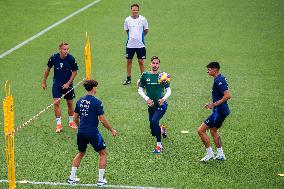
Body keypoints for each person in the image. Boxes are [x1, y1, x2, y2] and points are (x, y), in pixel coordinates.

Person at [67, 80, 117, 186]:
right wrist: (112, 129)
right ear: (93, 88)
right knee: (103, 154)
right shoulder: (97, 102)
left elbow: (75, 118)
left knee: (81, 153)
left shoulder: (80, 101)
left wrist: (80, 126)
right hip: (92, 132)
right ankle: (100, 180)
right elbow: (102, 120)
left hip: (81, 132)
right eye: (96, 87)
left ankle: (71, 178)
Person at [198, 62, 231, 162]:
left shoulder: (219, 80)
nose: (207, 71)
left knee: (200, 130)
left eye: (209, 69)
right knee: (213, 131)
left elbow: (227, 95)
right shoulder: (219, 78)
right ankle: (221, 154)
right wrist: (212, 104)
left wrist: (214, 104)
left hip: (219, 112)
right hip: (221, 110)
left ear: (215, 70)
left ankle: (210, 154)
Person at [41, 42, 78, 133]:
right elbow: (47, 70)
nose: (66, 51)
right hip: (57, 84)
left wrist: (68, 83)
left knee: (69, 103)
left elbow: (75, 72)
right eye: (64, 49)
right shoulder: (54, 58)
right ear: (60, 49)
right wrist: (44, 81)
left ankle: (71, 122)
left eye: (67, 49)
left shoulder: (71, 59)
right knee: (56, 103)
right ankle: (59, 124)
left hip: (68, 85)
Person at [138, 56, 171, 153]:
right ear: (150, 64)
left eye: (157, 63)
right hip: (151, 105)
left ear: (159, 65)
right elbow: (140, 89)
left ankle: (159, 146)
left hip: (161, 105)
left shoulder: (163, 76)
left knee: (154, 120)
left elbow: (169, 91)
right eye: (153, 63)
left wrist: (163, 99)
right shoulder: (145, 75)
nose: (155, 65)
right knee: (153, 129)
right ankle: (161, 129)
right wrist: (147, 98)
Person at [123, 3, 149, 85]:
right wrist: (132, 37)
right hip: (130, 44)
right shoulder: (127, 20)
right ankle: (128, 79)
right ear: (131, 10)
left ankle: (143, 79)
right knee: (129, 61)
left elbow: (146, 30)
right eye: (133, 10)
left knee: (141, 61)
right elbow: (127, 31)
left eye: (136, 10)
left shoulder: (143, 19)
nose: (135, 11)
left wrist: (140, 37)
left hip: (140, 45)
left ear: (138, 10)